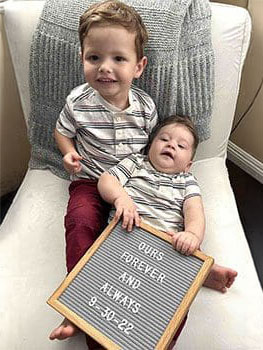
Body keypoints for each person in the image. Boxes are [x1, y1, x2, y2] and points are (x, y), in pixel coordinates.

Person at [49, 1, 158, 348]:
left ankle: (131, 306)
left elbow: (150, 151)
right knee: (80, 223)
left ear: (138, 66)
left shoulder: (146, 108)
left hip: (131, 184)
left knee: (140, 232)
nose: (105, 68)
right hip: (89, 181)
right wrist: (67, 152)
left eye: (118, 59)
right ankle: (78, 300)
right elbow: (61, 132)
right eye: (94, 58)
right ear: (83, 58)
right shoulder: (78, 102)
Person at [98, 115, 238, 349]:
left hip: (165, 249)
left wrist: (192, 235)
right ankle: (201, 272)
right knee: (110, 287)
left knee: (172, 298)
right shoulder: (135, 163)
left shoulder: (187, 181)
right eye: (164, 139)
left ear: (188, 164)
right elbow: (106, 180)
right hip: (124, 237)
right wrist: (120, 197)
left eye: (181, 146)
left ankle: (166, 339)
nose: (171, 145)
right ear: (150, 146)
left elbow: (195, 213)